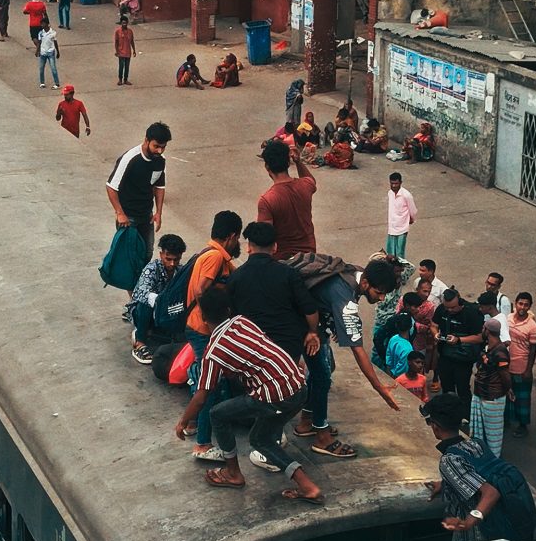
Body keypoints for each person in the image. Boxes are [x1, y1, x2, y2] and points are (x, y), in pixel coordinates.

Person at [175, 285, 317, 502]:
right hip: (299, 386)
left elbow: (202, 396)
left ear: (203, 318)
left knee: (217, 414)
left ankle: (233, 473)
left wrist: (183, 422)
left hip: (274, 394)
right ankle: (308, 486)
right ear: (228, 310)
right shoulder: (243, 321)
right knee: (260, 439)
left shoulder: (213, 351)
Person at [283, 253, 402, 459]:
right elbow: (358, 349)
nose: (381, 298)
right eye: (379, 292)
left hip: (311, 321)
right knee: (322, 376)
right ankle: (322, 436)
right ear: (365, 283)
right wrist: (379, 388)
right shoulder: (344, 295)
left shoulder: (356, 273)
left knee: (323, 370)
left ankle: (307, 421)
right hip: (299, 324)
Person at [421, 394, 536, 541]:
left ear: (435, 426)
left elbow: (491, 493)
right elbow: (476, 475)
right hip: (500, 524)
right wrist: (445, 484)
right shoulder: (476, 444)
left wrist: (468, 521)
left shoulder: (449, 460)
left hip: (479, 534)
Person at [180, 210, 245, 457]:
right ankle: (203, 444)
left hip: (198, 328)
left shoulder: (215, 256)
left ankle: (193, 423)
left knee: (204, 378)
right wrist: (214, 325)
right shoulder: (215, 257)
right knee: (210, 386)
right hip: (202, 329)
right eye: (238, 238)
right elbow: (201, 290)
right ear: (232, 236)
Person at [105, 123, 169, 267]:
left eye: (163, 147)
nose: (159, 150)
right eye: (156, 146)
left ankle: (140, 280)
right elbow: (111, 187)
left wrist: (158, 212)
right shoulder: (130, 158)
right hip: (128, 217)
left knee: (147, 253)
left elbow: (159, 187)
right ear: (146, 140)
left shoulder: (160, 160)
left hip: (147, 215)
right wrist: (120, 213)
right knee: (129, 256)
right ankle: (131, 282)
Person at [129, 233, 187, 362]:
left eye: (176, 259)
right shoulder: (151, 269)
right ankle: (140, 342)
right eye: (168, 259)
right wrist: (162, 301)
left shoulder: (181, 271)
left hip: (167, 314)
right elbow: (140, 293)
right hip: (147, 313)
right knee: (145, 303)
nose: (172, 263)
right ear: (161, 255)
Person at [255, 139, 317, 259]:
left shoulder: (267, 200)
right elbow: (311, 181)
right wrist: (298, 162)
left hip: (282, 260)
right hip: (309, 257)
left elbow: (264, 238)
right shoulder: (306, 185)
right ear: (288, 163)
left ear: (267, 167)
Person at [432, 288, 484, 397]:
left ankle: (464, 407)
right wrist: (436, 334)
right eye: (447, 307)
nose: (449, 310)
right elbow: (433, 324)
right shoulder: (442, 309)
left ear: (460, 302)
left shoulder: (472, 313)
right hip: (445, 355)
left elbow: (479, 338)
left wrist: (459, 340)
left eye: (453, 307)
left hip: (463, 358)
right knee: (446, 387)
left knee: (462, 388)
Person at [469, 331, 512, 456]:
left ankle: (494, 457)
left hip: (493, 397)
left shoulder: (501, 352)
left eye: (484, 328)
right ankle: (482, 454)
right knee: (481, 429)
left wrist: (508, 389)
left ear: (487, 331)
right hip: (481, 393)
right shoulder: (488, 347)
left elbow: (505, 375)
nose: (482, 329)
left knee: (493, 432)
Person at [504, 293, 536, 430]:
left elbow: (533, 350)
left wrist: (528, 370)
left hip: (522, 367)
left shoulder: (533, 326)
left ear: (530, 306)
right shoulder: (508, 318)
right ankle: (507, 421)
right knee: (506, 394)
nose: (522, 307)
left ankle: (522, 425)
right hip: (506, 365)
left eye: (526, 305)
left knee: (522, 399)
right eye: (520, 304)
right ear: (515, 303)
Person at [384, 173, 415, 259]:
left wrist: (411, 219)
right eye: (392, 183)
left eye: (396, 183)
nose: (394, 186)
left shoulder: (406, 195)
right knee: (390, 252)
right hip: (392, 227)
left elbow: (413, 210)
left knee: (400, 252)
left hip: (402, 228)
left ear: (401, 183)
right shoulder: (390, 193)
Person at [36, 23, 62, 89]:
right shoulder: (40, 33)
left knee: (53, 68)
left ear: (47, 24)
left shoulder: (53, 33)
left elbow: (55, 42)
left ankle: (57, 83)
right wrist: (37, 51)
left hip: (51, 52)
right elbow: (39, 42)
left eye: (43, 24)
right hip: (43, 52)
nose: (41, 25)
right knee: (41, 68)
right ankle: (42, 83)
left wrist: (58, 51)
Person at [113, 15, 136, 85]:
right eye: (123, 23)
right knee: (121, 67)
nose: (124, 24)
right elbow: (116, 42)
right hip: (121, 52)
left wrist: (134, 50)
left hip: (128, 52)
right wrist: (117, 51)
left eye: (125, 23)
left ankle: (125, 80)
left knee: (127, 67)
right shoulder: (117, 32)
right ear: (121, 23)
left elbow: (132, 41)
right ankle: (120, 79)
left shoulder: (130, 31)